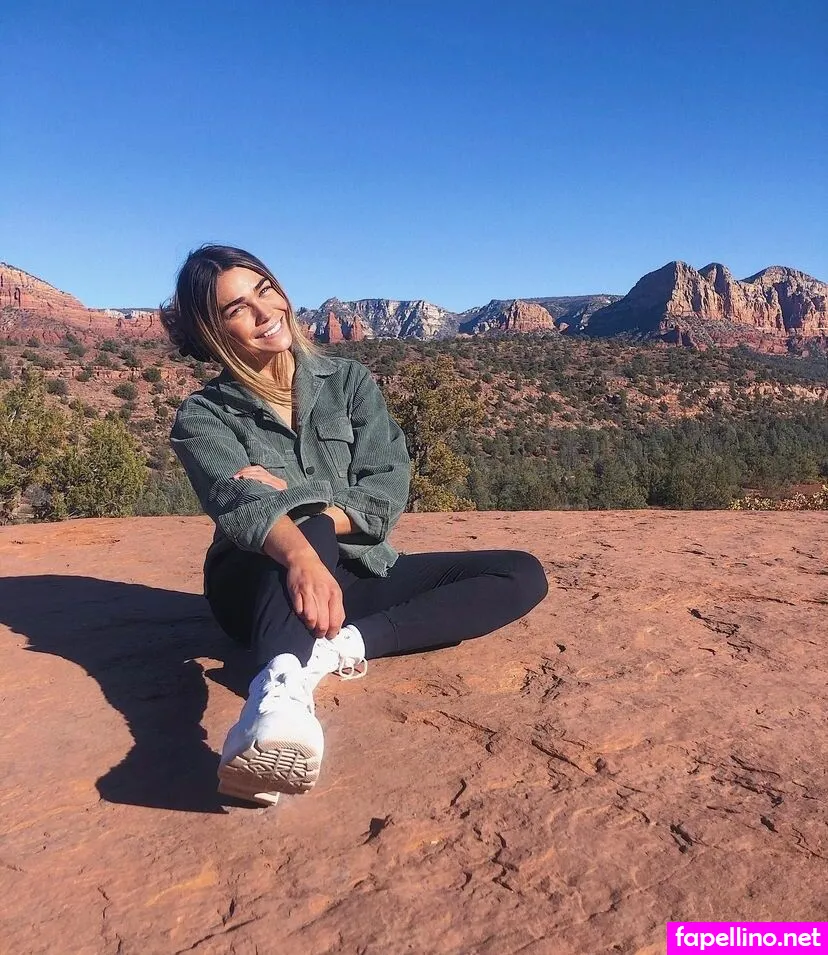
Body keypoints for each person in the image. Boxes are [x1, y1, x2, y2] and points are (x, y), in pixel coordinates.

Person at [162, 244, 549, 806]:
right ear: (213, 331)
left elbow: (385, 491)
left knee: (521, 573)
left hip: (348, 579)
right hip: (254, 585)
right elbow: (240, 505)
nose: (264, 311)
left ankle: (332, 652)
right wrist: (301, 549)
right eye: (236, 308)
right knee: (308, 527)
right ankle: (277, 699)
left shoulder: (348, 382)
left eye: (265, 290)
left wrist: (295, 497)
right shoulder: (204, 415)